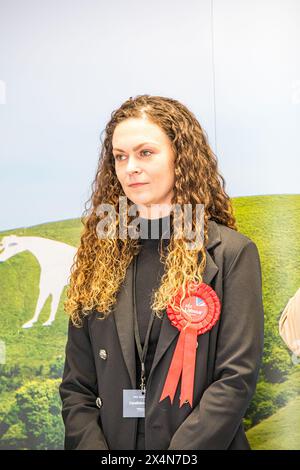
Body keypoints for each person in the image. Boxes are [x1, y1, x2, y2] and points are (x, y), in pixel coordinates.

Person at [59, 94, 264, 450]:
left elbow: (235, 380)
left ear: (179, 157)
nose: (130, 167)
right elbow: (77, 387)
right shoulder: (98, 255)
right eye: (120, 156)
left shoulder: (231, 253)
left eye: (145, 153)